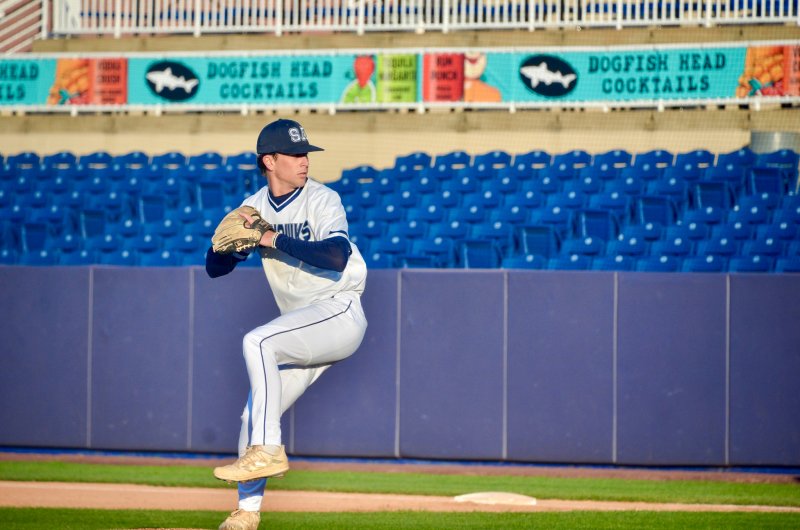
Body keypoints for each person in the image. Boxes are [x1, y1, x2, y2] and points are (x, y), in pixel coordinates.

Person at [205, 118, 368, 530]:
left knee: (259, 342)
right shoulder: (253, 206)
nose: (304, 161)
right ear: (269, 160)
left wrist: (269, 239)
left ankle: (268, 449)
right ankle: (247, 514)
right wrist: (227, 248)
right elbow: (215, 269)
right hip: (299, 328)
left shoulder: (323, 198)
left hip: (338, 310)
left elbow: (335, 256)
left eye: (306, 154)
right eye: (295, 154)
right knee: (252, 416)